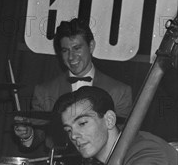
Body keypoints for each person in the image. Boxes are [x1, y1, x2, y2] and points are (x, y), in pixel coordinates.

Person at [53, 85, 178, 165]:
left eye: (82, 123)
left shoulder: (147, 148)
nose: (73, 135)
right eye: (68, 130)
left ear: (109, 120)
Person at [14, 18, 133, 150]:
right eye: (65, 50)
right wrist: (28, 134)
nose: (71, 57)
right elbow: (38, 134)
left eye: (77, 48)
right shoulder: (44, 91)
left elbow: (122, 140)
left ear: (91, 46)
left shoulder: (120, 91)